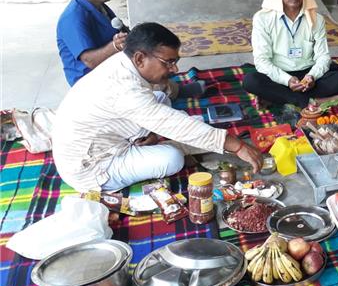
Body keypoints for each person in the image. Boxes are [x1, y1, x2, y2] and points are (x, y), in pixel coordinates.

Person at [52, 22, 264, 192]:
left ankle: (157, 141)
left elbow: (159, 108)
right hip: (93, 167)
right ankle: (171, 145)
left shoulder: (124, 63)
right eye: (168, 62)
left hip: (104, 136)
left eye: (175, 61)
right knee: (172, 159)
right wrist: (237, 146)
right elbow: (173, 124)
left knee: (161, 98)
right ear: (140, 58)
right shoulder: (124, 89)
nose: (174, 69)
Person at [243, 0, 338, 108]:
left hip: (307, 75)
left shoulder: (316, 19)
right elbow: (262, 61)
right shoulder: (263, 19)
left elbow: (323, 56)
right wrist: (287, 80)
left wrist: (312, 76)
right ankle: (313, 101)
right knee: (251, 80)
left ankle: (277, 98)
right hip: (278, 75)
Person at [56, 0, 128, 86]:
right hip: (90, 85)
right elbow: (90, 61)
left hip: (111, 72)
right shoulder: (73, 18)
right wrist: (115, 46)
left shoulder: (99, 6)